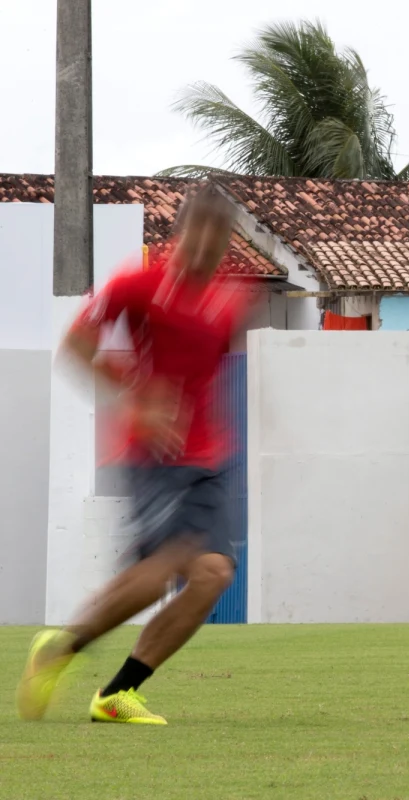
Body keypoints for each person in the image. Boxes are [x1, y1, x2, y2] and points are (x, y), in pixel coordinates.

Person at [17, 183, 256, 725]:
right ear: (178, 234)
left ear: (225, 243)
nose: (203, 251)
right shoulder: (137, 284)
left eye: (215, 241)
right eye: (195, 238)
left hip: (210, 458)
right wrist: (139, 399)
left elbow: (207, 373)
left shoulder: (230, 299)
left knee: (214, 573)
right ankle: (61, 647)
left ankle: (116, 694)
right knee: (163, 567)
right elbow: (77, 343)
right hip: (154, 454)